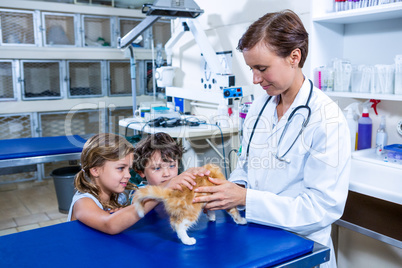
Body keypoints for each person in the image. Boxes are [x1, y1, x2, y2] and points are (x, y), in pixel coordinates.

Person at [193, 10, 350, 268]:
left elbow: (321, 209)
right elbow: (246, 165)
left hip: (300, 247)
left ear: (294, 57)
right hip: (256, 239)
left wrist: (245, 199)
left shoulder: (327, 118)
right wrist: (228, 192)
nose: (255, 79)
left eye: (262, 68)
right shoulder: (260, 106)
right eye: (252, 68)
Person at [67, 133, 205, 235]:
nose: (128, 175)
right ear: (95, 170)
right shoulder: (83, 202)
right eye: (121, 168)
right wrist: (165, 187)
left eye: (128, 168)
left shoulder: (118, 196)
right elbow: (110, 224)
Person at [129, 132, 210, 203]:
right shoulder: (138, 192)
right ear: (141, 172)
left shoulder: (181, 186)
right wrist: (167, 186)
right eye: (157, 168)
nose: (167, 174)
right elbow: (137, 201)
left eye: (172, 166)